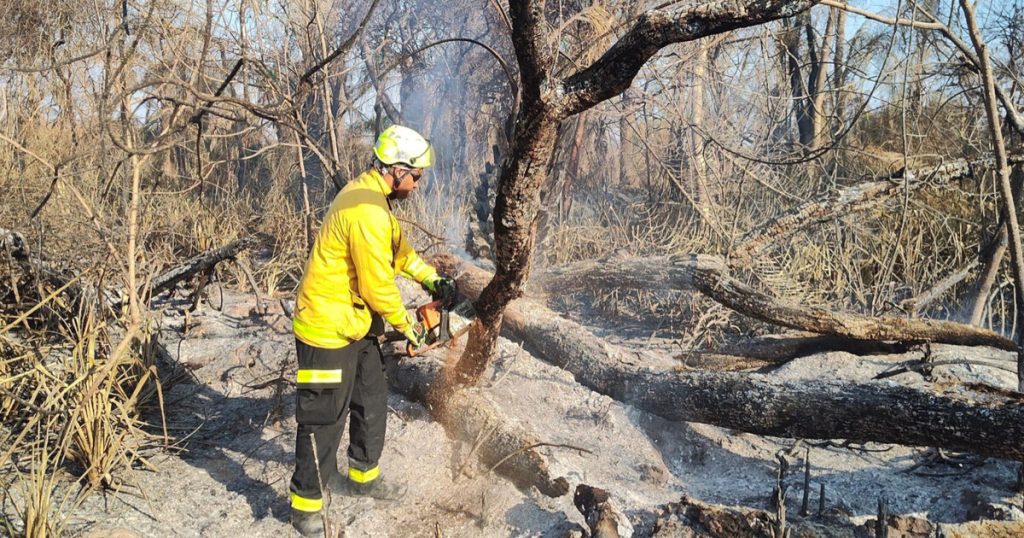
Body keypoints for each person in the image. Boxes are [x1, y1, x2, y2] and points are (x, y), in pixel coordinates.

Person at [288, 125, 455, 536]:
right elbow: (378, 287)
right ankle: (305, 506)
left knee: (371, 399)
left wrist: (432, 280)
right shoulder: (366, 210)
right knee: (324, 416)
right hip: (327, 326)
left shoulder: (374, 198)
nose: (417, 185)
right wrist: (410, 328)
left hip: (355, 323)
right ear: (396, 170)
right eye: (415, 176)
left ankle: (363, 479)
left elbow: (400, 253)